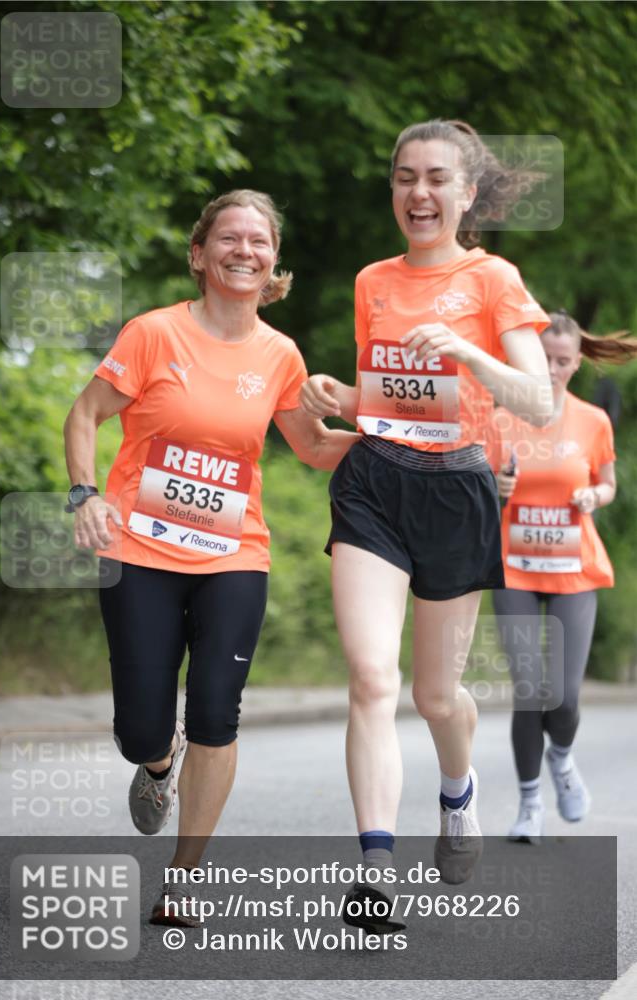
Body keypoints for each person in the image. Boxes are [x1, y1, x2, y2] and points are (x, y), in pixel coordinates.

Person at [64, 189, 358, 925]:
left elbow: (316, 447)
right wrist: (84, 495)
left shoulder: (280, 354)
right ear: (200, 254)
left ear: (274, 264)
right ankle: (155, 766)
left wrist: (404, 441)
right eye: (228, 239)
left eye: (259, 242)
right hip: (139, 547)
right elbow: (86, 412)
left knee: (217, 716)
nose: (244, 251)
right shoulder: (153, 334)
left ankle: (184, 877)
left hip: (234, 554)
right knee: (141, 726)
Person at [300, 118, 554, 932]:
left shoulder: (493, 278)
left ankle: (458, 792)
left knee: (435, 694)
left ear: (466, 192)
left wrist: (470, 355)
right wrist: (342, 399)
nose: (419, 193)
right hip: (373, 484)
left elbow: (538, 402)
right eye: (405, 177)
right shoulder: (372, 279)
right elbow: (393, 399)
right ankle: (375, 867)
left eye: (437, 178)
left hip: (457, 494)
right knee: (370, 678)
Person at [489, 310, 637, 843]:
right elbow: (474, 486)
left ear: (576, 364)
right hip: (514, 568)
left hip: (575, 566)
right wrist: (495, 490)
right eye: (543, 358)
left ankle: (564, 759)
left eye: (562, 361)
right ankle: (530, 803)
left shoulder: (593, 421)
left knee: (565, 698)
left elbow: (608, 483)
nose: (551, 369)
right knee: (530, 691)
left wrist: (594, 495)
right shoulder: (500, 417)